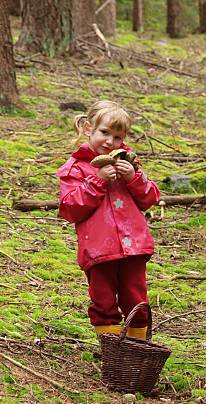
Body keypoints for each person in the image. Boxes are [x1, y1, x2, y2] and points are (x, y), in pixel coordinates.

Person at [56, 100, 160, 339]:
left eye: (117, 137)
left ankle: (136, 350)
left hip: (133, 246)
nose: (110, 142)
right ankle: (112, 349)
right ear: (87, 127)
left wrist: (134, 178)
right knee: (103, 301)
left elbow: (150, 197)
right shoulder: (76, 168)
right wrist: (97, 180)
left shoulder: (128, 163)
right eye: (104, 133)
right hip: (98, 250)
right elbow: (70, 208)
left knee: (136, 297)